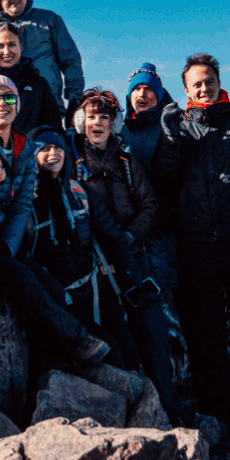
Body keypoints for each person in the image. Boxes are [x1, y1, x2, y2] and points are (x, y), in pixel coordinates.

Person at [0, 75, 112, 369]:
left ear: (18, 105)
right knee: (20, 280)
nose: (1, 104)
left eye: (8, 97)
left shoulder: (24, 150)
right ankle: (76, 343)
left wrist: (8, 245)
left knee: (52, 289)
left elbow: (21, 207)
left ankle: (57, 367)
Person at [70, 89, 175, 414]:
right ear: (81, 122)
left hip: (134, 258)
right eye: (91, 117)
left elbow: (149, 205)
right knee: (113, 340)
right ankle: (124, 412)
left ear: (114, 123)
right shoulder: (73, 165)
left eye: (104, 117)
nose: (98, 123)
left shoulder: (128, 163)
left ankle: (167, 410)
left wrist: (128, 238)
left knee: (153, 335)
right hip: (96, 265)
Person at [25, 125, 144, 373]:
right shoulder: (25, 203)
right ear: (32, 155)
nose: (53, 153)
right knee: (110, 353)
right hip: (61, 302)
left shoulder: (80, 193)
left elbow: (113, 237)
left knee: (131, 356)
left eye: (58, 147)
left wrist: (130, 277)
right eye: (44, 148)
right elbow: (21, 257)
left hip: (96, 289)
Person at [158, 53, 230, 423]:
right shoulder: (181, 128)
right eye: (197, 84)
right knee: (206, 331)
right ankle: (219, 413)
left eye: (210, 81)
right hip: (196, 242)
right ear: (186, 90)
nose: (205, 88)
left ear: (220, 83)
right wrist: (170, 136)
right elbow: (166, 179)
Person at [0, 0, 84, 119]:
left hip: (47, 105)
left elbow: (70, 60)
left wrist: (75, 100)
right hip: (3, 109)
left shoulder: (49, 20)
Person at [121, 63, 178, 291]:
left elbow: (171, 177)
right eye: (136, 89)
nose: (142, 94)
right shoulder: (121, 130)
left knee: (165, 298)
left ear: (159, 95)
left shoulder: (172, 125)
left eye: (149, 89)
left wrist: (171, 139)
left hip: (161, 230)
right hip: (129, 231)